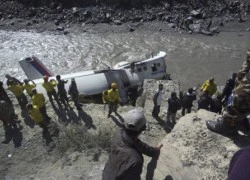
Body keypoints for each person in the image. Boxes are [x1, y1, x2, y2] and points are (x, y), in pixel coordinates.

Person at [102, 108, 163, 180]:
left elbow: (137, 144)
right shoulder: (135, 160)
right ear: (142, 130)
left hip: (106, 174)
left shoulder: (118, 134)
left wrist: (154, 151)